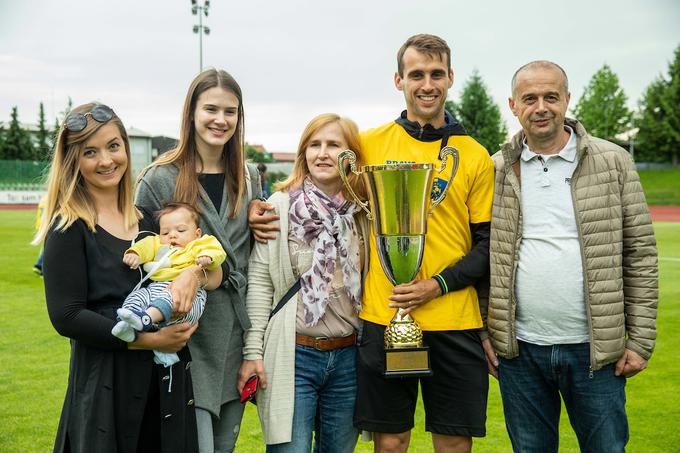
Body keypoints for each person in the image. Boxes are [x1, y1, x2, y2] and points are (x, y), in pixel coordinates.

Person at [249, 34, 494, 453]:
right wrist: (261, 206)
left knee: (453, 442)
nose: (427, 84)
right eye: (416, 74)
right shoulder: (369, 146)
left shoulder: (475, 155)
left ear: (450, 78)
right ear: (398, 80)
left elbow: (488, 246)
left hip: (454, 320)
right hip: (382, 318)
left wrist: (437, 285)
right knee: (390, 440)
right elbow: (324, 186)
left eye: (437, 74)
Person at [483, 61, 659, 453]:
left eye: (551, 96)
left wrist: (641, 339)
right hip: (520, 351)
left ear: (567, 99)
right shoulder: (494, 169)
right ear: (513, 105)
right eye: (530, 98)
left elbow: (641, 254)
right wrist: (485, 332)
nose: (541, 106)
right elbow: (484, 258)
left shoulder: (613, 161)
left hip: (595, 352)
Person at [35, 102, 221, 452]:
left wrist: (194, 273)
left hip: (164, 385)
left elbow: (214, 271)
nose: (106, 160)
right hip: (106, 385)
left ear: (125, 147)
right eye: (90, 152)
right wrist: (149, 341)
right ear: (73, 160)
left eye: (113, 146)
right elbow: (67, 316)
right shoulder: (69, 226)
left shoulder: (151, 221)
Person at [135, 68, 262, 453]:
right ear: (191, 112)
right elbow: (139, 251)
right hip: (186, 336)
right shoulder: (159, 178)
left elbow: (252, 253)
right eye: (210, 109)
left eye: (231, 112)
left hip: (234, 336)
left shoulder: (250, 176)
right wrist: (192, 270)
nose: (220, 120)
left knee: (224, 446)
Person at [237, 113, 370, 452]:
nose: (322, 153)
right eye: (315, 145)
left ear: (351, 154)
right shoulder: (278, 208)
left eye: (333, 145)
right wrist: (253, 352)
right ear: (303, 153)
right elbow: (261, 285)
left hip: (347, 360)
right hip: (294, 355)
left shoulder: (364, 213)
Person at [112, 202, 226, 368]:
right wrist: (134, 254)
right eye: (165, 232)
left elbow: (216, 251)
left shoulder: (198, 244)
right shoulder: (158, 244)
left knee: (169, 295)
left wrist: (207, 258)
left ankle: (145, 318)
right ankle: (128, 322)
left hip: (189, 298)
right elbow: (144, 246)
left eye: (180, 230)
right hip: (156, 289)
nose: (172, 236)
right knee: (139, 295)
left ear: (197, 233)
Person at [33, 194, 47, 276]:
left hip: (40, 224)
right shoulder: (50, 197)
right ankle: (39, 266)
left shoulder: (43, 199)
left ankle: (39, 265)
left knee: (45, 246)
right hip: (46, 224)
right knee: (47, 247)